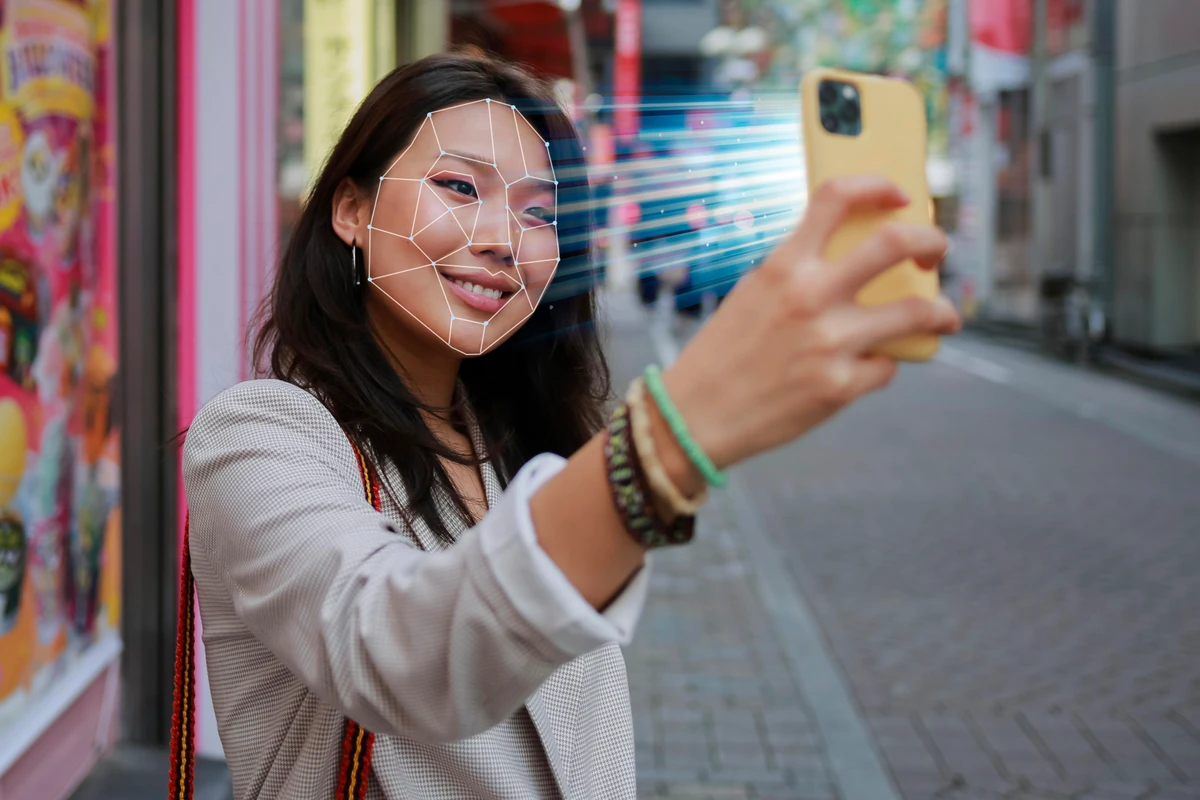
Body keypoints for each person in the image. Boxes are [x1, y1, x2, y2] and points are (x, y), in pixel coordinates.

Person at [176, 52, 960, 800]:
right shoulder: (260, 436)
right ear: (351, 209)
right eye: (458, 186)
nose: (501, 239)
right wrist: (674, 437)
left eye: (538, 212)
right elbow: (394, 649)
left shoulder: (522, 448)